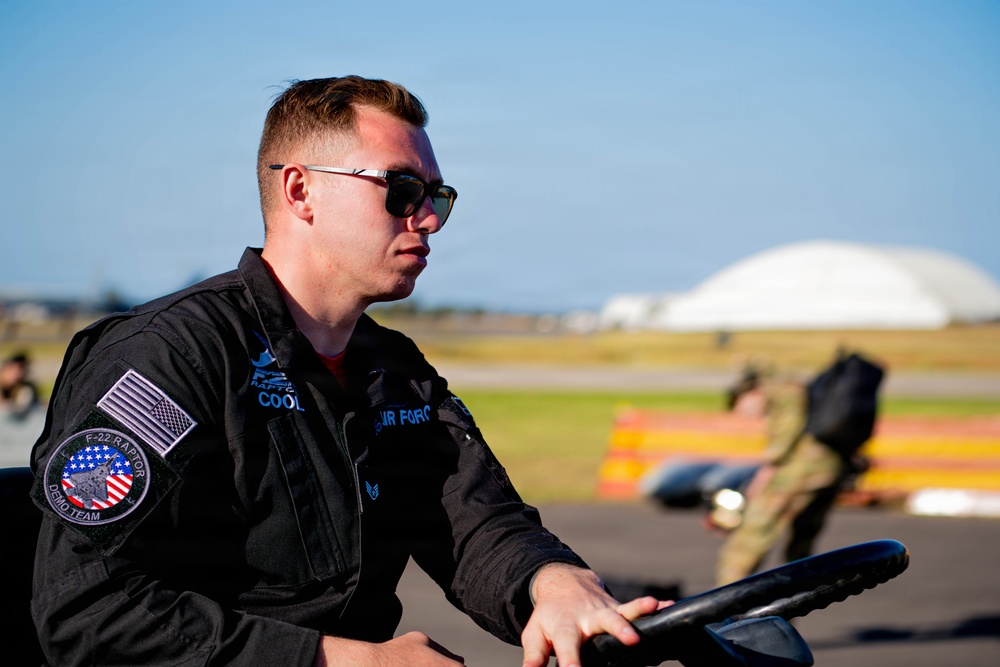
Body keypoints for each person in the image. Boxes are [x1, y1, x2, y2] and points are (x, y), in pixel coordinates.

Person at [29, 76, 662, 667]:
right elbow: (86, 608)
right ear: (300, 189)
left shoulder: (393, 371)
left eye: (437, 196)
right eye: (402, 189)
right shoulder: (170, 360)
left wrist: (550, 583)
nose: (431, 218)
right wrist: (348, 660)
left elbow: (474, 521)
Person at [714, 364, 849, 586]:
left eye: (742, 407)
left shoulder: (784, 391)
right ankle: (797, 604)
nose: (749, 416)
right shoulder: (800, 387)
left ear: (750, 393)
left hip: (800, 472)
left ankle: (725, 607)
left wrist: (768, 469)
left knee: (746, 543)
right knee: (801, 546)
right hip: (830, 470)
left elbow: (788, 431)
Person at [0, 351, 40, 421]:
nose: (17, 374)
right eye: (12, 369)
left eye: (21, 370)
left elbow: (23, 408)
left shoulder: (25, 388)